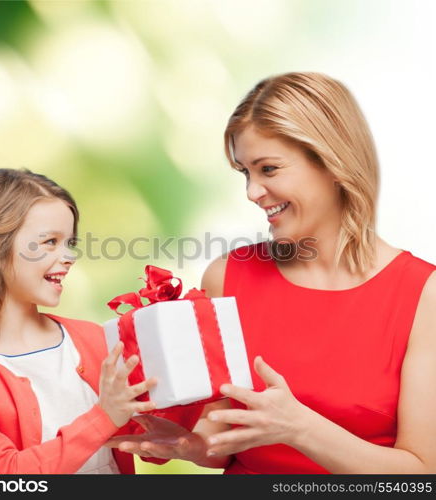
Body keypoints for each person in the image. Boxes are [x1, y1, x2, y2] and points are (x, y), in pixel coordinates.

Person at [107, 72, 436, 474]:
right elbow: (227, 442)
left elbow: (421, 474)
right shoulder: (227, 276)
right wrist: (192, 445)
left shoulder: (422, 295)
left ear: (333, 163)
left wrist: (300, 428)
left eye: (268, 169)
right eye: (246, 172)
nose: (252, 192)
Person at [0, 168, 200, 474]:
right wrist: (104, 417)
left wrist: (186, 382)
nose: (68, 256)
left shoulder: (92, 339)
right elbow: (5, 475)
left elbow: (148, 444)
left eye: (69, 242)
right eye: (49, 242)